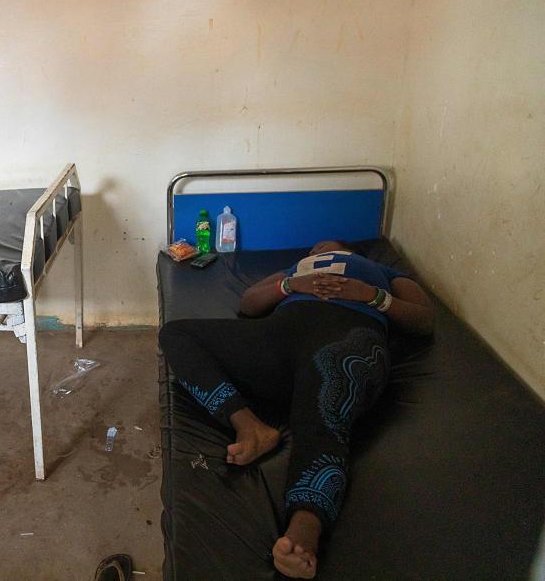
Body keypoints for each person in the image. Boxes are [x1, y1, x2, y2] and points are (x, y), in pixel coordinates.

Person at [158, 240, 434, 579]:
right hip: (278, 336)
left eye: (327, 245)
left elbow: (423, 320)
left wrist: (371, 295)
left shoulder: (383, 273)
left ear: (353, 253)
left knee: (324, 409)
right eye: (316, 249)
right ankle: (250, 425)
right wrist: (289, 285)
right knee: (176, 333)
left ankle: (305, 527)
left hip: (347, 336)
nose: (321, 247)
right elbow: (249, 304)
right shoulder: (297, 269)